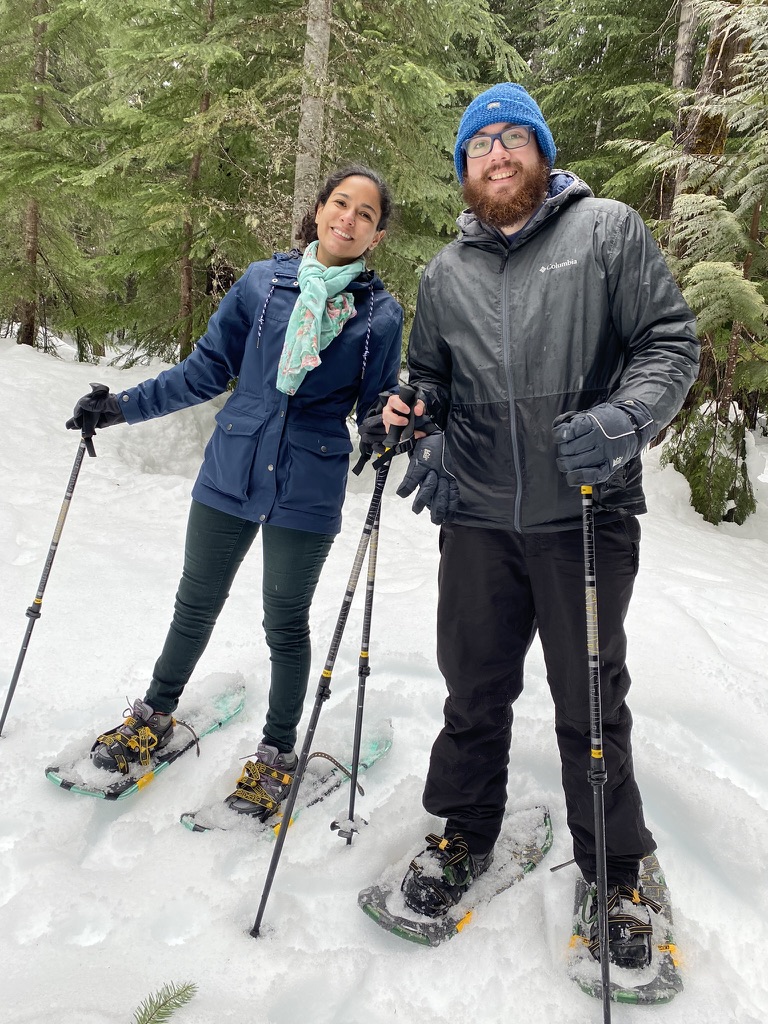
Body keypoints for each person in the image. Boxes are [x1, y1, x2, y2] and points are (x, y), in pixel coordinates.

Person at [367, 84, 699, 968]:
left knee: (590, 703)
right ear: (465, 168)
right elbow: (429, 378)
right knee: (473, 693)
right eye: (481, 145)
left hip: (583, 516)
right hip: (475, 518)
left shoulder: (608, 233)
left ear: (542, 152)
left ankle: (616, 866)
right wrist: (416, 421)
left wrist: (623, 421)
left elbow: (669, 345)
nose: (499, 154)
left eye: (515, 138)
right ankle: (464, 833)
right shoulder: (445, 274)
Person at [67, 164, 403, 821]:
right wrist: (120, 408)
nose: (349, 219)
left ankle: (277, 754)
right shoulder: (262, 283)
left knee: (285, 621)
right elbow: (204, 373)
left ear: (377, 235)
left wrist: (385, 429)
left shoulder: (379, 315)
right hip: (231, 469)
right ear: (319, 209)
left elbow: (374, 404)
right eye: (341, 203)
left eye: (365, 214)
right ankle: (153, 715)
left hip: (308, 484)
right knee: (195, 603)